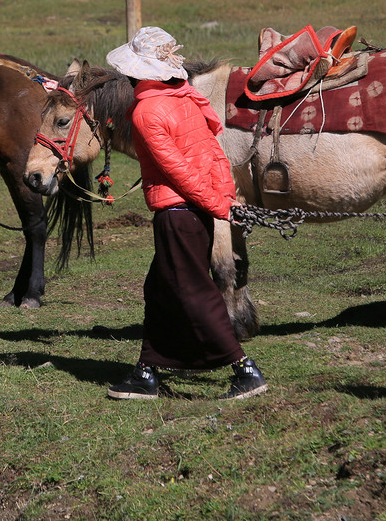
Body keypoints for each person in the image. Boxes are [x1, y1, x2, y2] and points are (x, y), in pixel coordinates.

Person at [103, 27, 268, 400]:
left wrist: (221, 204)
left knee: (194, 293)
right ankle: (146, 372)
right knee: (159, 290)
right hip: (198, 214)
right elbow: (213, 156)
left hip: (178, 214)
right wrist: (224, 199)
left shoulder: (147, 111)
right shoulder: (186, 99)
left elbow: (179, 172)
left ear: (137, 73)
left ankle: (244, 370)